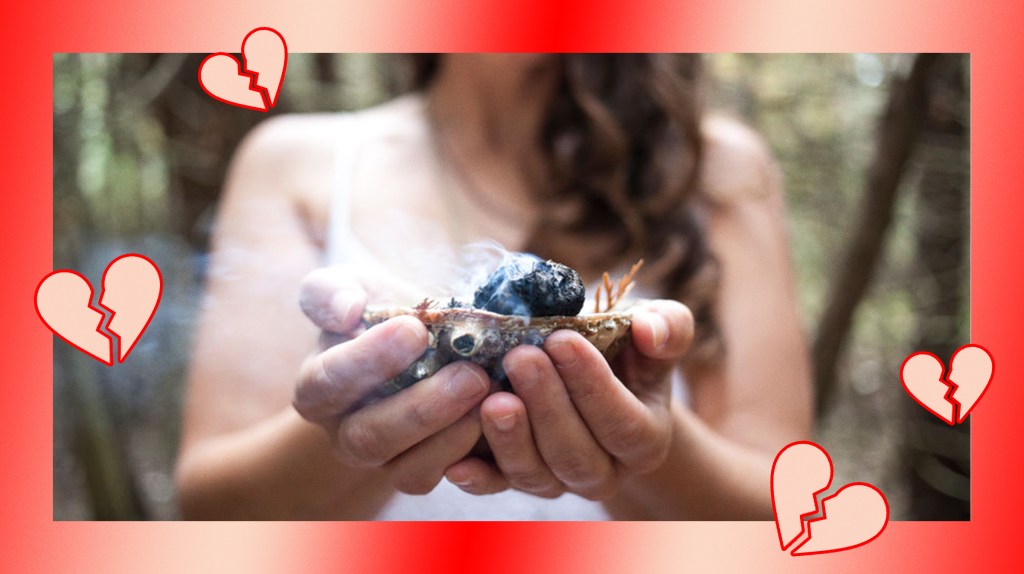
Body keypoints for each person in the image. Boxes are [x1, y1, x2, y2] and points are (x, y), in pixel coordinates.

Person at [174, 54, 812, 520]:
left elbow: (782, 516)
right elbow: (214, 510)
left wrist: (645, 450)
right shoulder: (297, 162)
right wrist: (357, 415)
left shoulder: (719, 168)